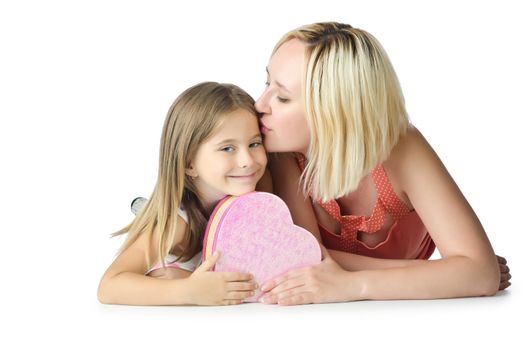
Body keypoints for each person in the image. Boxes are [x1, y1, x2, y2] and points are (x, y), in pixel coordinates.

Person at [254, 22, 511, 305]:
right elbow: (303, 258)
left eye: (282, 96)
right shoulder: (281, 153)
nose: (259, 105)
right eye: (267, 83)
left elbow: (480, 275)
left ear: (335, 110)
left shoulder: (401, 147)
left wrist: (354, 286)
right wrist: (441, 274)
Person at [97, 82, 268, 306]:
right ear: (189, 164)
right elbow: (109, 286)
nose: (248, 161)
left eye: (254, 143)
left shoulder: (260, 192)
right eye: (227, 148)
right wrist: (188, 290)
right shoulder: (176, 223)